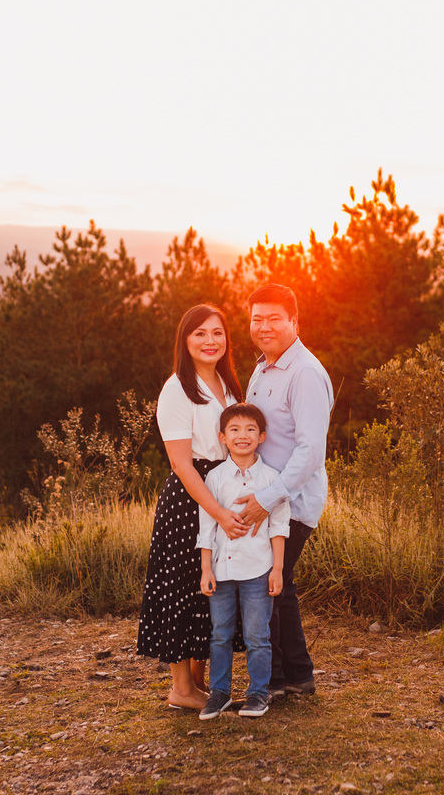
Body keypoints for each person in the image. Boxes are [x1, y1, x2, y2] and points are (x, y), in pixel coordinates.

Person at [137, 304, 249, 711]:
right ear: (185, 341)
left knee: (213, 588)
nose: (209, 341)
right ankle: (181, 689)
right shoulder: (177, 389)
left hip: (225, 486)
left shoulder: (228, 383)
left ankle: (199, 683)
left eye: (217, 333)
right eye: (200, 333)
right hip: (190, 499)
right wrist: (219, 513)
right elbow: (181, 464)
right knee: (183, 588)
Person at [231, 284, 333, 697]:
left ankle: (270, 680)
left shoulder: (304, 373)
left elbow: (310, 451)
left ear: (295, 322)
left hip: (289, 502)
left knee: (263, 585)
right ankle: (297, 675)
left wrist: (265, 500)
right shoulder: (264, 367)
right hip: (271, 499)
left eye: (275, 318)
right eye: (257, 319)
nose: (265, 327)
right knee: (281, 584)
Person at [197, 403, 290, 720]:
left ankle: (257, 695)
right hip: (221, 571)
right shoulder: (215, 477)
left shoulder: (272, 479)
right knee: (220, 634)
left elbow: (279, 526)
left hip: (259, 570)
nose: (243, 435)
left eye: (250, 429)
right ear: (223, 437)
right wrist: (205, 568)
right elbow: (206, 527)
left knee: (257, 637)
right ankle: (219, 693)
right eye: (234, 429)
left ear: (262, 436)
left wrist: (277, 568)